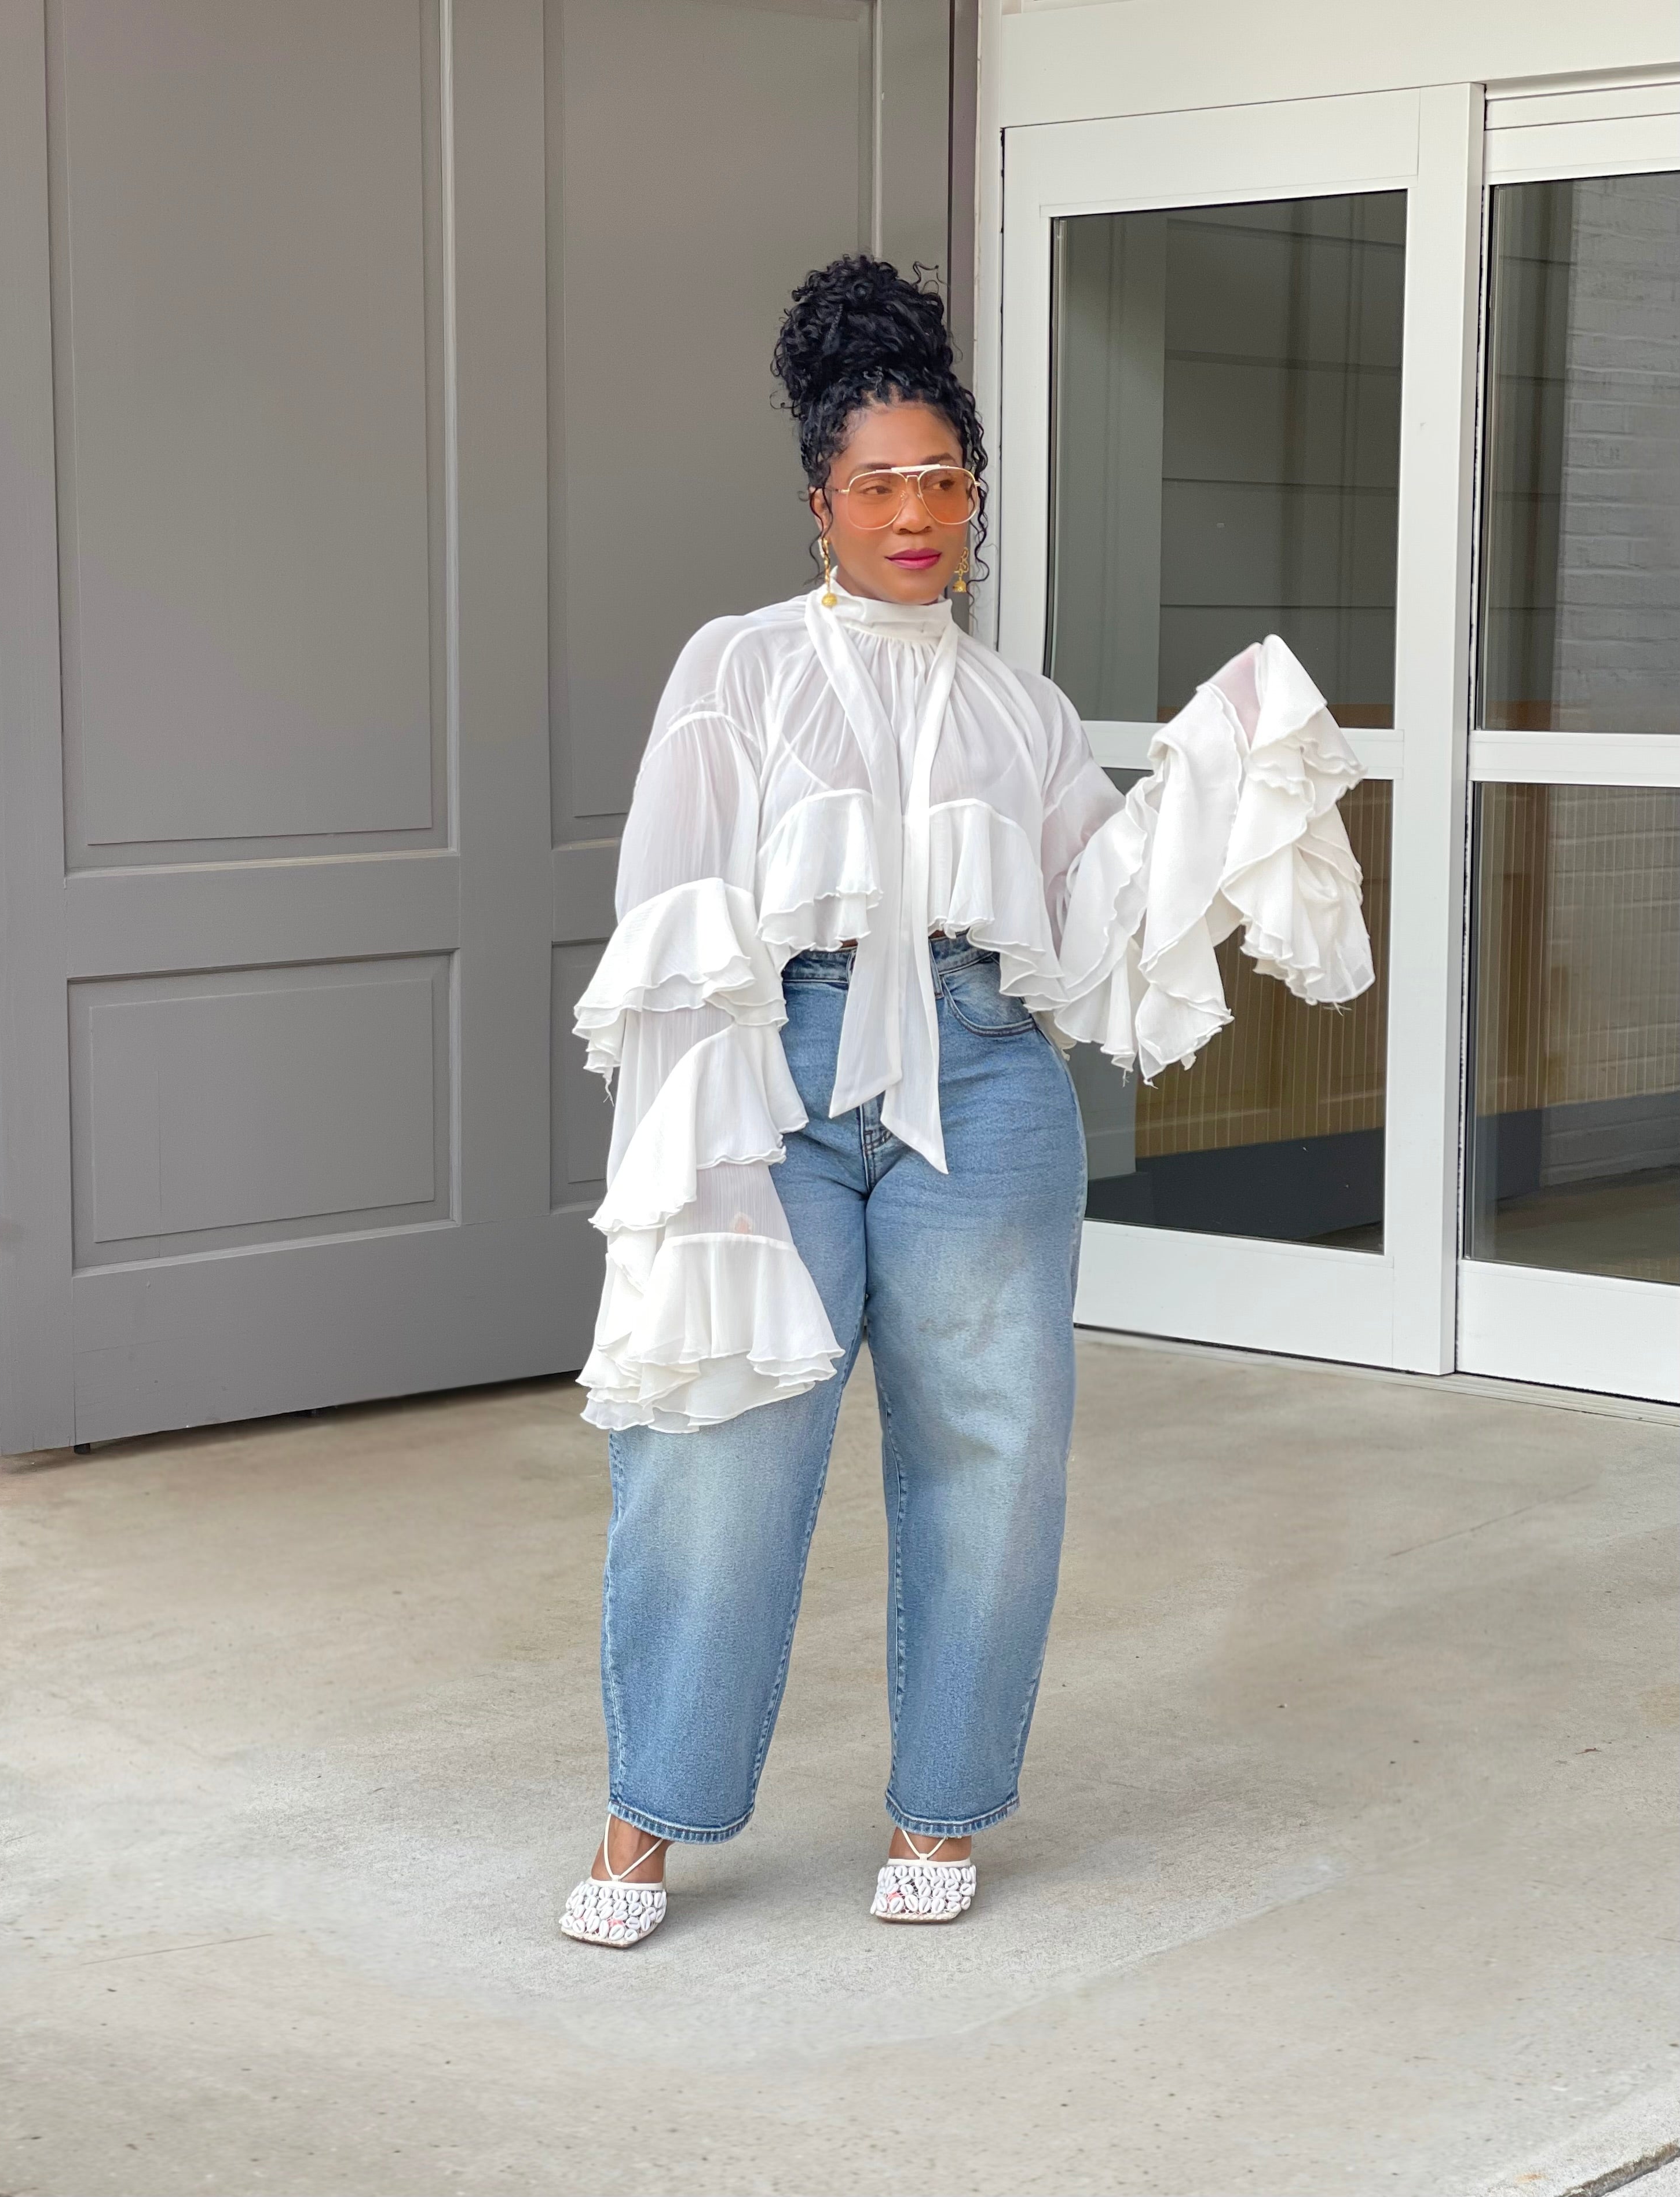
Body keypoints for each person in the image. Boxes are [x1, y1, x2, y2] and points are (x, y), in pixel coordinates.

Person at [560, 256, 1372, 1948]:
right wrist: (684, 1149)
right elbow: (670, 905)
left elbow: (1088, 926)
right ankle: (650, 1814)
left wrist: (1217, 771)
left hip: (987, 1073)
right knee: (714, 1438)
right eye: (881, 483)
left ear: (974, 499)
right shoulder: (739, 670)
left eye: (945, 481)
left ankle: (938, 1809)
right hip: (768, 1063)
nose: (916, 513)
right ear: (820, 502)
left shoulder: (1025, 709)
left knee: (991, 1456)